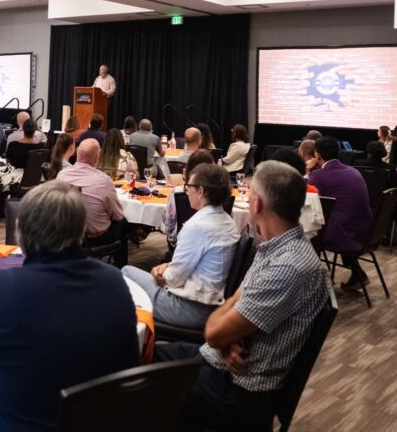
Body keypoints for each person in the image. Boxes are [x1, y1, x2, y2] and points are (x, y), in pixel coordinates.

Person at [0, 180, 138, 430]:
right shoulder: (115, 282)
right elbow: (128, 367)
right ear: (80, 230)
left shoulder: (3, 289)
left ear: (21, 230)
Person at [157, 161, 331, 430]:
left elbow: (213, 331)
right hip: (224, 365)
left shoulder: (287, 267)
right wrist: (229, 335)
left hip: (238, 392)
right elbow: (233, 303)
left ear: (258, 204)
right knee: (144, 354)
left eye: (248, 196)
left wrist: (225, 334)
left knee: (136, 383)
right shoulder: (277, 248)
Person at [124, 163, 239, 330]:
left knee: (125, 272)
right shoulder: (228, 221)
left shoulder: (197, 226)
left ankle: (132, 337)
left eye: (189, 186)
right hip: (211, 304)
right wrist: (168, 266)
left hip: (190, 309)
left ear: (201, 191)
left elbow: (173, 279)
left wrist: (162, 273)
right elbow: (201, 261)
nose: (186, 191)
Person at [308, 137, 373, 290]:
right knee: (339, 218)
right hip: (367, 230)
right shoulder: (353, 170)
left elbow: (309, 199)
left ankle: (314, 285)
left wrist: (308, 172)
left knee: (307, 232)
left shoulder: (319, 175)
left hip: (344, 234)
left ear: (317, 156)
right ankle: (357, 274)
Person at [56, 138, 126, 266]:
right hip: (93, 239)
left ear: (77, 152)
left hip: (67, 235)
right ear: (97, 157)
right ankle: (121, 269)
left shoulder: (61, 175)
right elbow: (117, 215)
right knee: (123, 223)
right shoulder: (104, 180)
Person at [164, 150, 216, 248]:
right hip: (211, 244)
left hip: (180, 244)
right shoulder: (219, 195)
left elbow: (168, 226)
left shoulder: (177, 192)